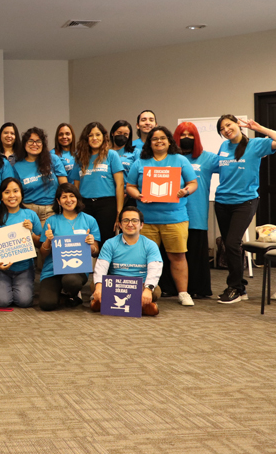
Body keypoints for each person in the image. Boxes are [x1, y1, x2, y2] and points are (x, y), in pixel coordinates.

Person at [214, 115, 276, 304]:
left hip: (245, 201)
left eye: (228, 125)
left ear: (237, 124)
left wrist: (259, 128)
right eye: (222, 128)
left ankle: (234, 287)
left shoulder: (255, 145)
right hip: (222, 201)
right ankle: (240, 287)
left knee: (232, 243)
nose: (226, 130)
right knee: (229, 245)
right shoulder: (223, 146)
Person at [125, 126, 199, 306]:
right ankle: (140, 292)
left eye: (163, 138)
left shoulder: (180, 160)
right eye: (155, 139)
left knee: (177, 256)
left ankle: (183, 293)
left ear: (169, 140)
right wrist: (138, 195)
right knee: (143, 258)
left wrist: (185, 191)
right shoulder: (140, 162)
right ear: (149, 143)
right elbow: (130, 186)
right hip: (146, 220)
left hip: (175, 218)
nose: (159, 141)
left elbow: (193, 183)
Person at [173, 122, 219, 298]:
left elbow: (230, 167)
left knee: (195, 253)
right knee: (174, 253)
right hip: (173, 213)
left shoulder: (208, 158)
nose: (186, 138)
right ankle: (173, 288)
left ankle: (198, 289)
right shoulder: (170, 159)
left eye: (190, 135)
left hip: (197, 213)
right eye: (183, 135)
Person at [90, 208, 163, 316]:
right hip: (115, 285)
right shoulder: (110, 243)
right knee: (94, 285)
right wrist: (99, 286)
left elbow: (155, 269)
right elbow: (101, 266)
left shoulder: (150, 245)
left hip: (140, 285)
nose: (130, 224)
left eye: (134, 221)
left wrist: (148, 290)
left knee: (156, 291)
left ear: (141, 225)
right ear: (120, 224)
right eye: (125, 220)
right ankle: (142, 307)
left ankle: (105, 303)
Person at [39, 183, 100, 311]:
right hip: (52, 269)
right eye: (64, 197)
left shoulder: (89, 220)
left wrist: (90, 245)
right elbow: (43, 254)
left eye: (72, 196)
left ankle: (73, 293)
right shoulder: (51, 221)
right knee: (47, 304)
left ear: (77, 198)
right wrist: (48, 241)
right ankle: (63, 295)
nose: (68, 200)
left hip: (77, 269)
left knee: (71, 281)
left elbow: (95, 252)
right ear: (58, 201)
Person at [0, 178, 43, 308]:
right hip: (0, 268)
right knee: (2, 302)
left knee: (24, 302)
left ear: (21, 194)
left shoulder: (31, 215)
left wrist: (31, 233)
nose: (12, 196)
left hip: (24, 268)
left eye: (15, 191)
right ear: (1, 196)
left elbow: (40, 244)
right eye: (7, 192)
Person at [69, 122, 124, 244]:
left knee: (106, 241)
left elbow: (120, 185)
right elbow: (76, 186)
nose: (94, 138)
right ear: (86, 138)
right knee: (85, 241)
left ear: (104, 137)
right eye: (90, 135)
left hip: (107, 205)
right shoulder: (80, 157)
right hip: (85, 205)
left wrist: (119, 212)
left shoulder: (112, 155)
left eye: (98, 134)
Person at [13, 127, 67, 226]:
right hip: (27, 211)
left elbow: (65, 186)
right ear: (24, 143)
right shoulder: (17, 166)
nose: (34, 144)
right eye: (30, 141)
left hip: (50, 210)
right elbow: (15, 191)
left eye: (38, 141)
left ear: (43, 144)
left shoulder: (53, 159)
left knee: (48, 235)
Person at [110, 120, 137, 208]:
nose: (122, 136)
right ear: (113, 133)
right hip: (109, 195)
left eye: (126, 134)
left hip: (129, 195)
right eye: (119, 133)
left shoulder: (135, 152)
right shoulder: (105, 152)